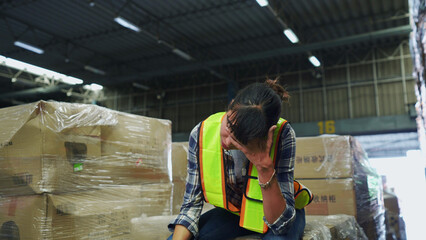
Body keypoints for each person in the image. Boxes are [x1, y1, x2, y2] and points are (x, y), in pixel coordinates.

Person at [168, 79, 309, 240]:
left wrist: (264, 167)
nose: (227, 142)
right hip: (234, 212)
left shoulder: (283, 135)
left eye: (240, 141)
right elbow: (190, 207)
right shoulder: (201, 133)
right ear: (231, 106)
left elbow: (280, 224)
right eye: (229, 127)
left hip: (277, 211)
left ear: (263, 135)